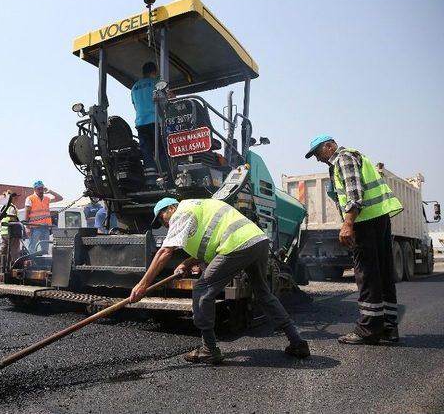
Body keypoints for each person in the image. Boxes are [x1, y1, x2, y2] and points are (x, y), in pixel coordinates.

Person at [129, 197, 310, 364]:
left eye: (162, 217)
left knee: (202, 289)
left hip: (237, 245)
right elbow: (209, 241)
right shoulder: (197, 207)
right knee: (263, 293)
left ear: (171, 208)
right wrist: (186, 262)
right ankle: (297, 342)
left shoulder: (181, 212)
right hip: (258, 241)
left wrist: (142, 285)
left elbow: (164, 252)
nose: (165, 223)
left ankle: (209, 349)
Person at [305, 135, 403, 344]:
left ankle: (368, 330)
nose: (317, 158)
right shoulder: (352, 156)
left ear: (329, 146)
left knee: (366, 275)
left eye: (318, 153)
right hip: (377, 219)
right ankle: (388, 328)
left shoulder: (343, 158)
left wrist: (348, 223)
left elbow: (355, 194)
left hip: (364, 222)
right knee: (382, 273)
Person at [131, 61, 160, 175]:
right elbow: (168, 98)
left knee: (146, 150)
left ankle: (151, 177)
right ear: (154, 72)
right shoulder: (156, 83)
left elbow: (135, 106)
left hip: (140, 123)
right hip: (154, 121)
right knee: (160, 149)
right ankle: (166, 177)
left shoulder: (134, 87)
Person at [24, 180, 62, 253]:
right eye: (39, 189)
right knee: (32, 247)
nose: (41, 190)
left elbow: (60, 198)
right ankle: (31, 262)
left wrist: (50, 191)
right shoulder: (30, 198)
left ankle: (43, 263)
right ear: (34, 189)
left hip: (45, 227)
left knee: (45, 248)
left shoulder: (46, 199)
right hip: (34, 228)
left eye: (42, 188)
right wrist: (27, 227)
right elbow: (27, 213)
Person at [0, 192, 22, 275]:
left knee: (3, 251)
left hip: (4, 232)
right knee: (15, 251)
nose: (18, 199)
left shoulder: (5, 207)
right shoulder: (12, 207)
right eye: (17, 197)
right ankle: (15, 268)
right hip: (11, 232)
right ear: (13, 198)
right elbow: (12, 218)